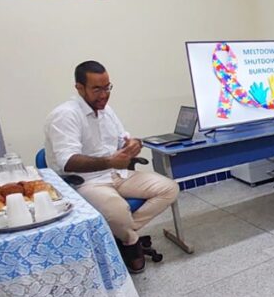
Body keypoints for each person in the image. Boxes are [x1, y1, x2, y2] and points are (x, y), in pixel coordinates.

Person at [44, 60, 179, 274]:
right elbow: (67, 161)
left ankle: (121, 234)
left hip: (117, 174)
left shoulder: (105, 110)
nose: (104, 94)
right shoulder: (65, 115)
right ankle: (130, 240)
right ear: (79, 88)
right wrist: (109, 161)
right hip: (86, 182)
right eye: (97, 89)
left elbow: (123, 138)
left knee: (169, 188)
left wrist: (134, 143)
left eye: (107, 87)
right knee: (118, 211)